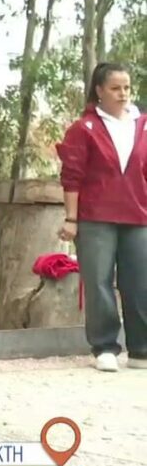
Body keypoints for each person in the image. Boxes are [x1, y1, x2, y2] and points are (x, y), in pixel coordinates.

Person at [57, 62, 147, 372]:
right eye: (115, 88)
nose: (123, 94)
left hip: (138, 216)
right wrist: (71, 219)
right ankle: (105, 346)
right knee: (99, 283)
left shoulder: (142, 125)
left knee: (140, 283)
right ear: (99, 90)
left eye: (126, 88)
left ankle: (141, 349)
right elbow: (72, 176)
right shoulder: (84, 128)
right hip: (95, 217)